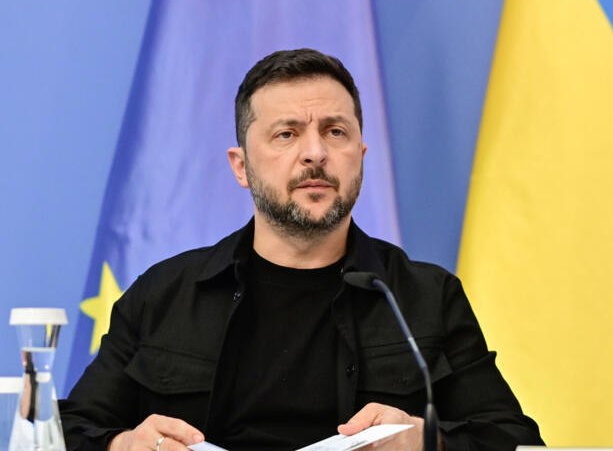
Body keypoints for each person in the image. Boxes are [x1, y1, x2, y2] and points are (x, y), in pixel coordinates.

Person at [62, 49, 542, 451]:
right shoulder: (164, 295)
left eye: (336, 132)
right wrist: (122, 445)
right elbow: (65, 431)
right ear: (241, 166)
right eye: (286, 134)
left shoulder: (424, 297)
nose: (315, 153)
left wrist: (428, 441)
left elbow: (517, 441)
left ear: (360, 157)